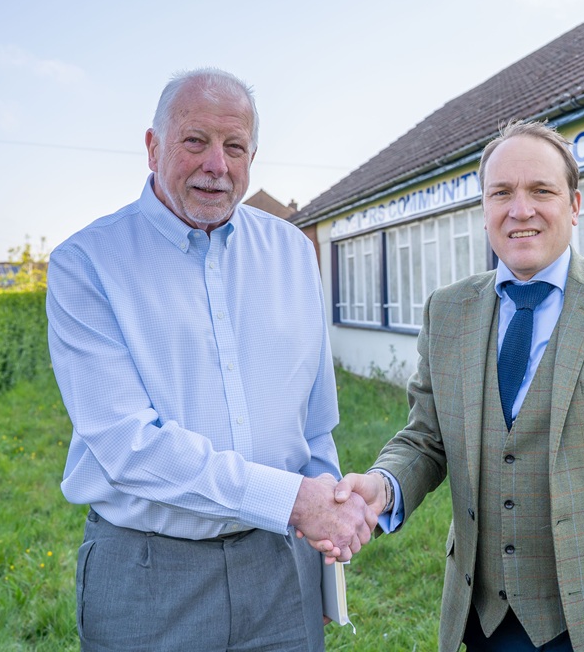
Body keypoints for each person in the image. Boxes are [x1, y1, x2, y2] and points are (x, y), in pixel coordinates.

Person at [331, 121, 584, 651]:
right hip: (484, 624)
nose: (520, 210)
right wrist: (384, 484)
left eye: (541, 190)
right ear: (484, 210)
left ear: (573, 205)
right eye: (501, 193)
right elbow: (427, 437)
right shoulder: (447, 310)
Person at [47, 67, 374, 652]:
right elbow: (130, 447)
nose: (216, 165)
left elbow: (315, 424)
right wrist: (297, 504)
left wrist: (323, 545)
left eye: (235, 147)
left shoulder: (294, 254)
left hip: (281, 565)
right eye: (195, 141)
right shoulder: (87, 264)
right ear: (152, 147)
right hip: (150, 575)